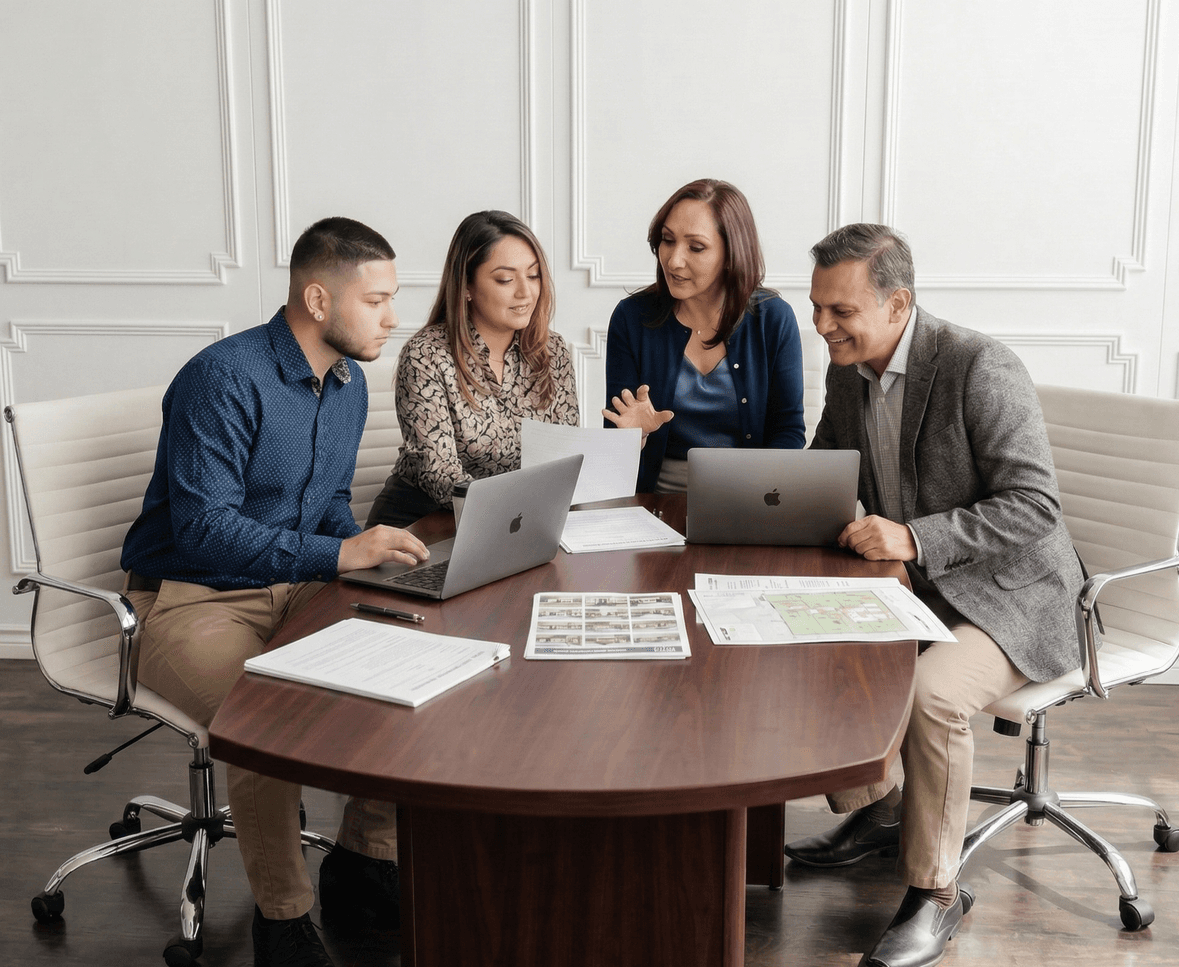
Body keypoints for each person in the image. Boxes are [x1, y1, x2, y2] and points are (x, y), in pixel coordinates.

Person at [121, 217, 430, 967]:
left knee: (413, 663)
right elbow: (202, 532)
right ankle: (282, 921)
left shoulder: (348, 384)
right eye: (378, 299)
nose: (394, 317)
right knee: (267, 721)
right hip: (192, 597)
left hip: (297, 583)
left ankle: (363, 862)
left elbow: (322, 506)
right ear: (319, 298)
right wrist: (338, 551)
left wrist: (365, 552)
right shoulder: (223, 377)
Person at [787, 223, 1083, 967]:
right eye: (817, 307)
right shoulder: (846, 370)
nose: (822, 326)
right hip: (920, 584)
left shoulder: (979, 366)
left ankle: (937, 892)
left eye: (840, 311)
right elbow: (829, 464)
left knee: (931, 694)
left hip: (1014, 592)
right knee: (816, 635)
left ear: (898, 304)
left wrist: (914, 539)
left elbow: (1036, 505)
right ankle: (878, 809)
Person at [368, 210, 579, 528]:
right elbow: (440, 475)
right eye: (506, 279)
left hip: (514, 522)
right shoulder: (427, 355)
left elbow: (564, 456)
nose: (525, 292)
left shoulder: (553, 351)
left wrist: (630, 438)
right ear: (467, 286)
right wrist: (513, 515)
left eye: (533, 275)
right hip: (423, 524)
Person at [602, 178, 806, 493]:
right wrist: (634, 436)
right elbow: (616, 434)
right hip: (652, 499)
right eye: (667, 240)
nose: (673, 260)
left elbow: (789, 432)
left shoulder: (773, 319)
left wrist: (754, 495)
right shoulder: (632, 318)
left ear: (732, 254)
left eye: (696, 247)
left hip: (748, 496)